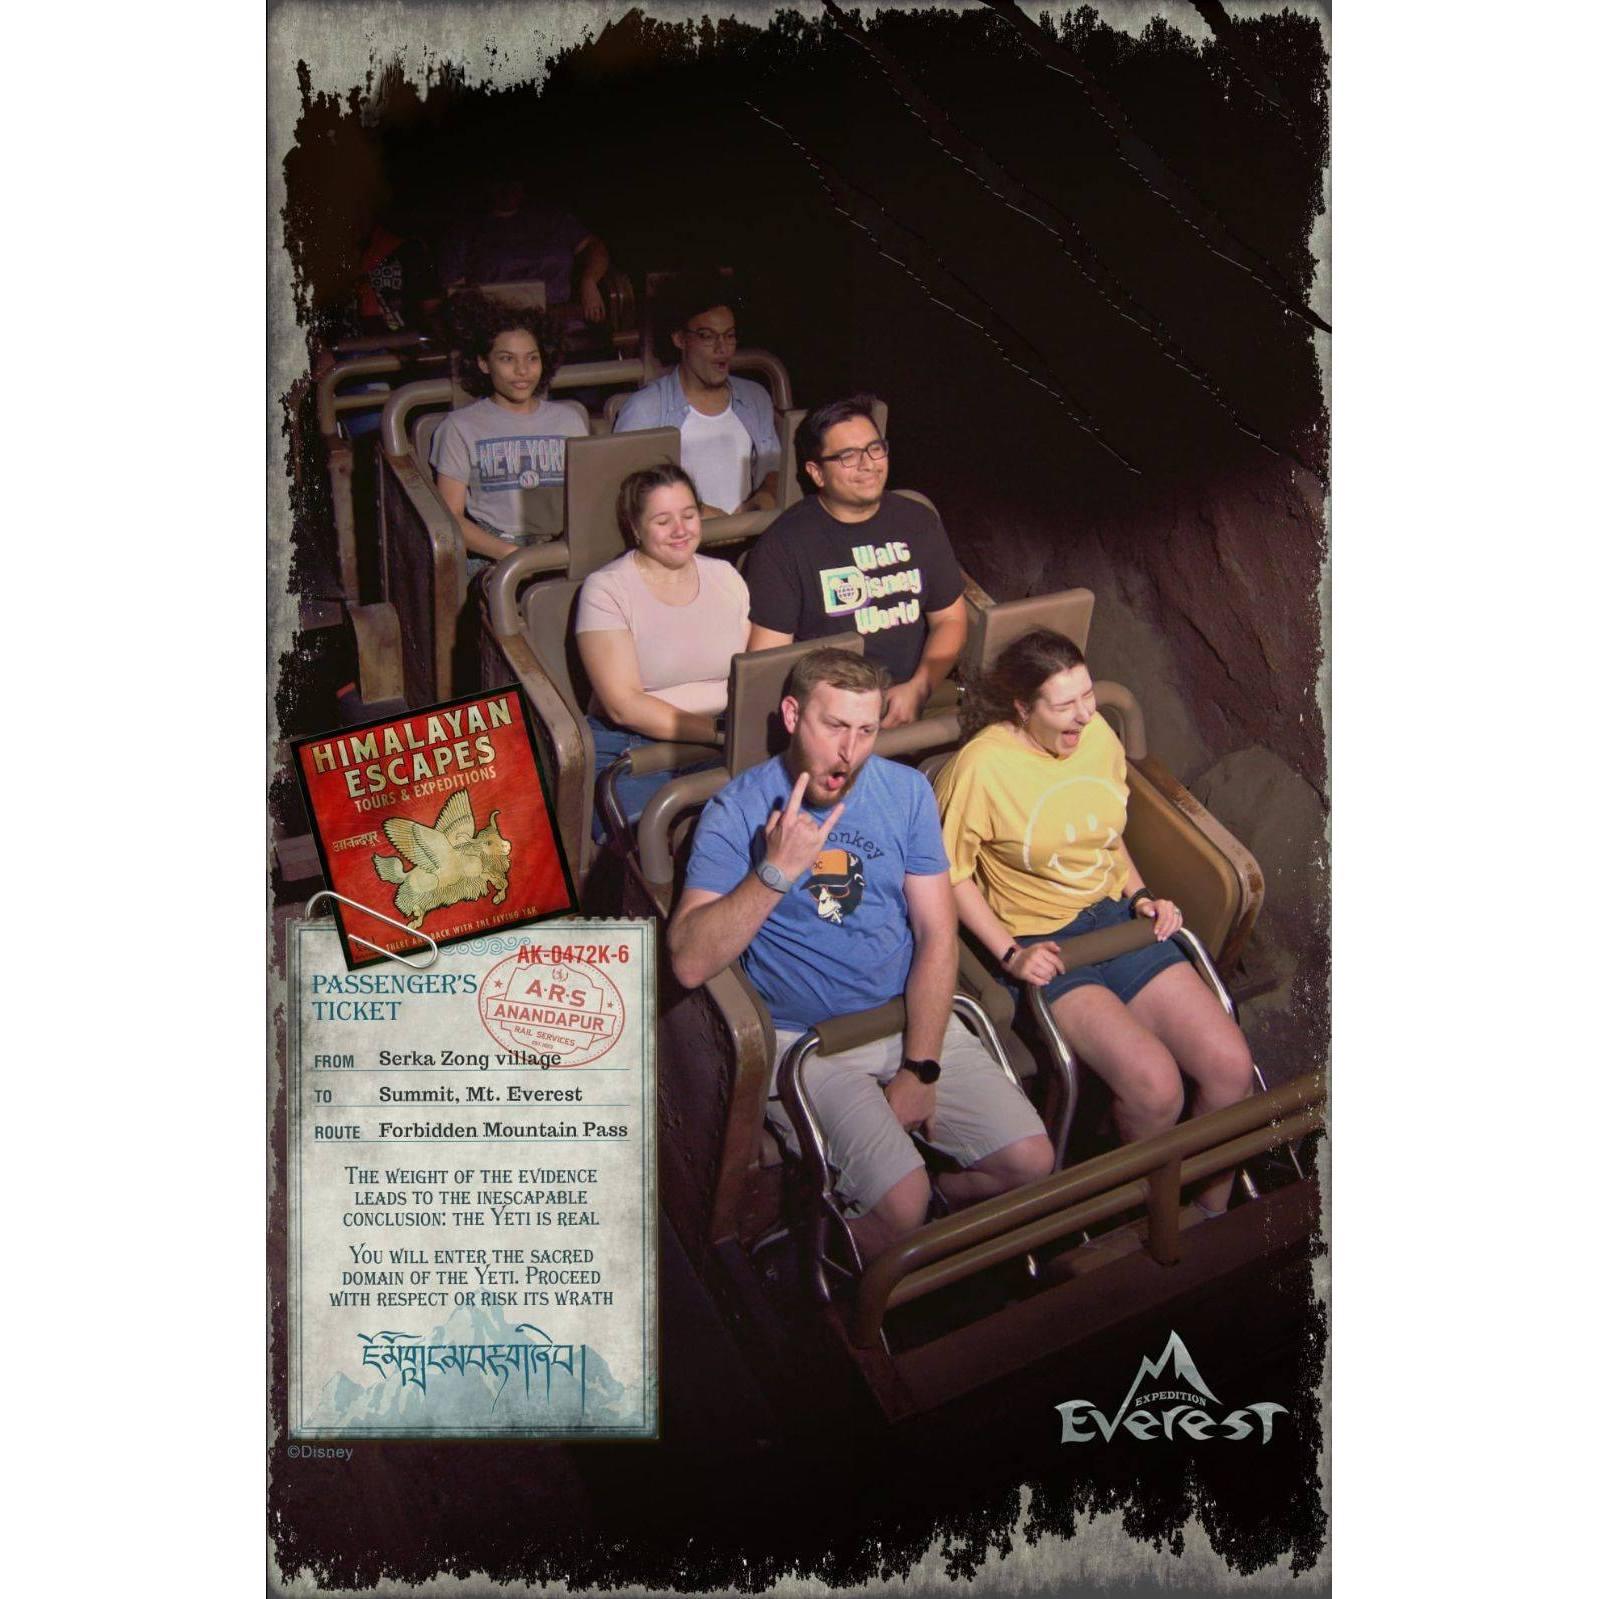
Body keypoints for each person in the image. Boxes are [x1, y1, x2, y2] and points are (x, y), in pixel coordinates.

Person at [669, 647, 1052, 1262]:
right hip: (807, 1040)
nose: (849, 751)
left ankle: (929, 1225)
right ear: (793, 716)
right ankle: (831, 1279)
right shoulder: (737, 809)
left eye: (866, 730)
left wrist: (920, 1067)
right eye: (835, 726)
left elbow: (936, 933)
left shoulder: (905, 792)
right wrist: (774, 871)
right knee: (901, 1201)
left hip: (904, 1017)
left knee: (1029, 1162)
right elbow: (688, 960)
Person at [932, 629, 1255, 1217]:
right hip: (1041, 938)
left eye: (1087, 696)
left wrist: (1141, 896)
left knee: (1231, 1069)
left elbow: (1103, 833)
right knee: (1155, 1087)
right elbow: (950, 875)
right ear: (1023, 708)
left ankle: (1209, 1216)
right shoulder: (981, 767)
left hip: (1112, 916)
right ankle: (1146, 1223)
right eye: (1065, 705)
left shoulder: (1098, 734)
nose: (1084, 714)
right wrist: (1010, 954)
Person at [743, 395, 967, 729]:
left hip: (916, 698)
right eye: (848, 456)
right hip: (830, 718)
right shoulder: (783, 545)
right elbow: (768, 663)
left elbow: (950, 619)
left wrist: (920, 687)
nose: (868, 464)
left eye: (875, 449)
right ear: (817, 473)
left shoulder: (918, 521)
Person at [576, 463, 751, 830]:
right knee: (662, 835)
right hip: (635, 746)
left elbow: (753, 669)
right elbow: (623, 705)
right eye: (662, 521)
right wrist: (718, 734)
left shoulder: (725, 576)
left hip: (725, 735)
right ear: (635, 527)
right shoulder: (607, 589)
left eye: (689, 515)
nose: (680, 530)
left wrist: (735, 734)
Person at [429, 293, 590, 571]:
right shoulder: (459, 426)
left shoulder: (569, 420)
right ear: (483, 363)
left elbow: (588, 499)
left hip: (560, 546)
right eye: (507, 359)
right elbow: (451, 516)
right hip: (494, 553)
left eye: (532, 358)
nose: (522, 370)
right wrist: (513, 555)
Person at [613, 276, 781, 519]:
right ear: (680, 339)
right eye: (707, 336)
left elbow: (775, 469)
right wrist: (697, 513)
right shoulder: (645, 409)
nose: (722, 348)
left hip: (750, 534)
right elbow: (629, 491)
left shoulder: (755, 398)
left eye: (729, 335)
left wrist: (763, 499)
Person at [437, 170, 610, 324]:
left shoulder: (551, 218)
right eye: (500, 183)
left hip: (560, 318)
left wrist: (589, 282)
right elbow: (454, 291)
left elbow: (594, 247)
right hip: (499, 324)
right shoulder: (466, 230)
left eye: (513, 182)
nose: (507, 190)